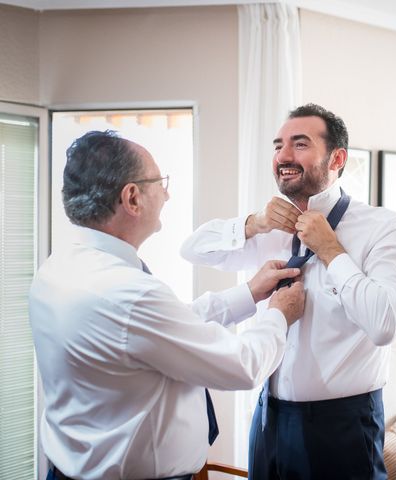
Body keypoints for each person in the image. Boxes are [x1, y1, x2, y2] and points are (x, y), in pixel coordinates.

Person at [29, 130, 305, 480]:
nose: (168, 193)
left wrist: (249, 293)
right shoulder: (127, 293)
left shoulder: (59, 268)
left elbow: (161, 330)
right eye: (160, 182)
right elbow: (242, 365)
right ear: (132, 198)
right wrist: (279, 314)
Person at [181, 104, 396, 479]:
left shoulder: (385, 229)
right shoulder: (269, 229)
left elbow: (385, 323)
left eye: (300, 144)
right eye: (278, 146)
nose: (283, 156)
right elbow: (192, 249)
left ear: (337, 158)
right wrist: (253, 223)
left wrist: (331, 251)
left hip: (343, 425)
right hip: (269, 417)